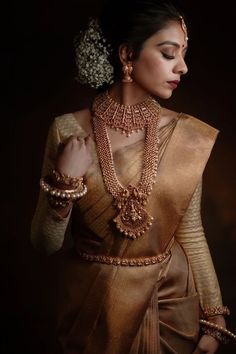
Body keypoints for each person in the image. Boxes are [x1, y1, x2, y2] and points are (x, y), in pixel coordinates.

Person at [30, 0, 236, 353]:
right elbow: (44, 244)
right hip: (93, 310)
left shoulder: (186, 137)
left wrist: (215, 318)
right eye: (170, 54)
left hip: (170, 308)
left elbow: (192, 233)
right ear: (127, 54)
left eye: (184, 54)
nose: (183, 67)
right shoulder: (67, 131)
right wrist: (63, 184)